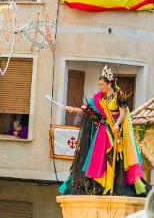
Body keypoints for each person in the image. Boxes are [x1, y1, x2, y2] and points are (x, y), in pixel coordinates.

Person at [60, 64, 147, 196]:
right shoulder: (100, 97)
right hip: (103, 129)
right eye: (99, 84)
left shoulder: (118, 95)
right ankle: (101, 183)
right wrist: (74, 109)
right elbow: (88, 108)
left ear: (109, 84)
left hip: (115, 130)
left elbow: (123, 113)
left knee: (113, 157)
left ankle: (112, 184)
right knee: (98, 156)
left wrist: (117, 124)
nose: (100, 87)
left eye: (102, 84)